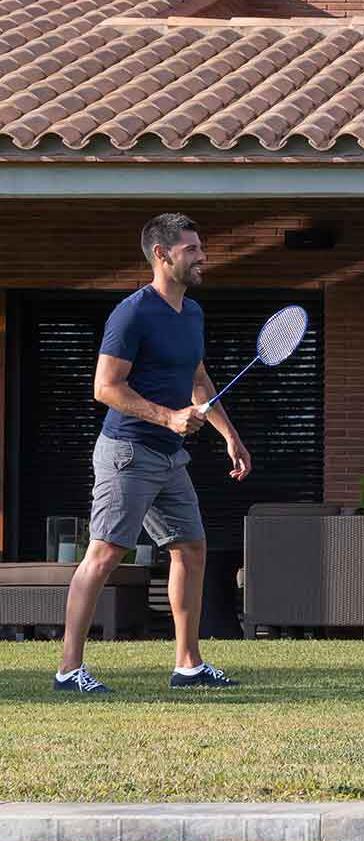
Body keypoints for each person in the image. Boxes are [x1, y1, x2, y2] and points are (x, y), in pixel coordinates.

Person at [56, 213, 252, 694]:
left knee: (190, 547)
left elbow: (199, 378)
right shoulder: (132, 313)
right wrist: (167, 417)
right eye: (191, 250)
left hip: (170, 457)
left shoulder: (193, 313)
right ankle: (68, 670)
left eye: (201, 247)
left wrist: (230, 434)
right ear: (162, 256)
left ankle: (188, 664)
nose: (203, 256)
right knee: (105, 554)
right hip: (128, 451)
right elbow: (105, 387)